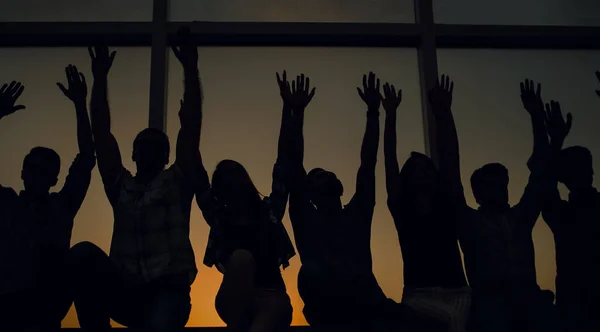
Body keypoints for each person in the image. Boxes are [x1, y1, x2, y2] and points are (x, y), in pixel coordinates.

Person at [69, 27, 201, 332]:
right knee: (82, 254)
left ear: (167, 156)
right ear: (133, 153)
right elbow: (101, 133)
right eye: (143, 145)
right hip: (127, 290)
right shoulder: (122, 187)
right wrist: (99, 78)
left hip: (168, 292)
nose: (149, 150)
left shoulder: (177, 182)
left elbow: (192, 126)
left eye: (158, 147)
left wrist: (190, 68)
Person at [287, 72, 416, 332]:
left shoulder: (357, 213)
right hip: (329, 308)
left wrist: (373, 112)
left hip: (366, 303)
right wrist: (297, 113)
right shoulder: (306, 219)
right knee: (313, 270)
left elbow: (368, 163)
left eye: (330, 174)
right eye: (319, 176)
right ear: (309, 192)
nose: (327, 175)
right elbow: (293, 162)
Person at [445, 77, 556, 332]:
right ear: (477, 193)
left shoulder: (518, 218)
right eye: (489, 187)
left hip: (527, 305)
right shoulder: (471, 223)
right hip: (492, 310)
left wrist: (537, 117)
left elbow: (539, 174)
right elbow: (451, 174)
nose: (497, 192)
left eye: (500, 185)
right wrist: (444, 116)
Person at [193, 70, 296, 332]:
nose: (233, 182)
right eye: (225, 178)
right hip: (234, 299)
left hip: (272, 297)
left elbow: (284, 162)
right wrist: (191, 115)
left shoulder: (269, 212)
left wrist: (288, 109)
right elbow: (194, 167)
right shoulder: (219, 218)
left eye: (235, 174)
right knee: (240, 259)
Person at [0, 66, 96, 332]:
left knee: (83, 254)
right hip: (7, 303)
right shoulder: (6, 202)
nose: (37, 175)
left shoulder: (60, 206)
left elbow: (86, 159)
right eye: (33, 168)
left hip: (43, 305)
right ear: (22, 171)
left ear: (54, 179)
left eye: (45, 172)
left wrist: (80, 104)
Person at [384, 77, 470, 332]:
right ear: (406, 178)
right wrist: (390, 115)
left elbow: (451, 157)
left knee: (453, 319)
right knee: (449, 321)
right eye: (414, 170)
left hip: (457, 292)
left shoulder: (447, 203)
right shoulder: (402, 210)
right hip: (417, 295)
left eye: (425, 168)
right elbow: (389, 161)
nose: (421, 174)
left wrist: (444, 114)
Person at [541, 78, 599, 332]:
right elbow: (545, 186)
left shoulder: (563, 215)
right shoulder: (564, 215)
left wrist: (556, 141)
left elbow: (545, 185)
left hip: (573, 310)